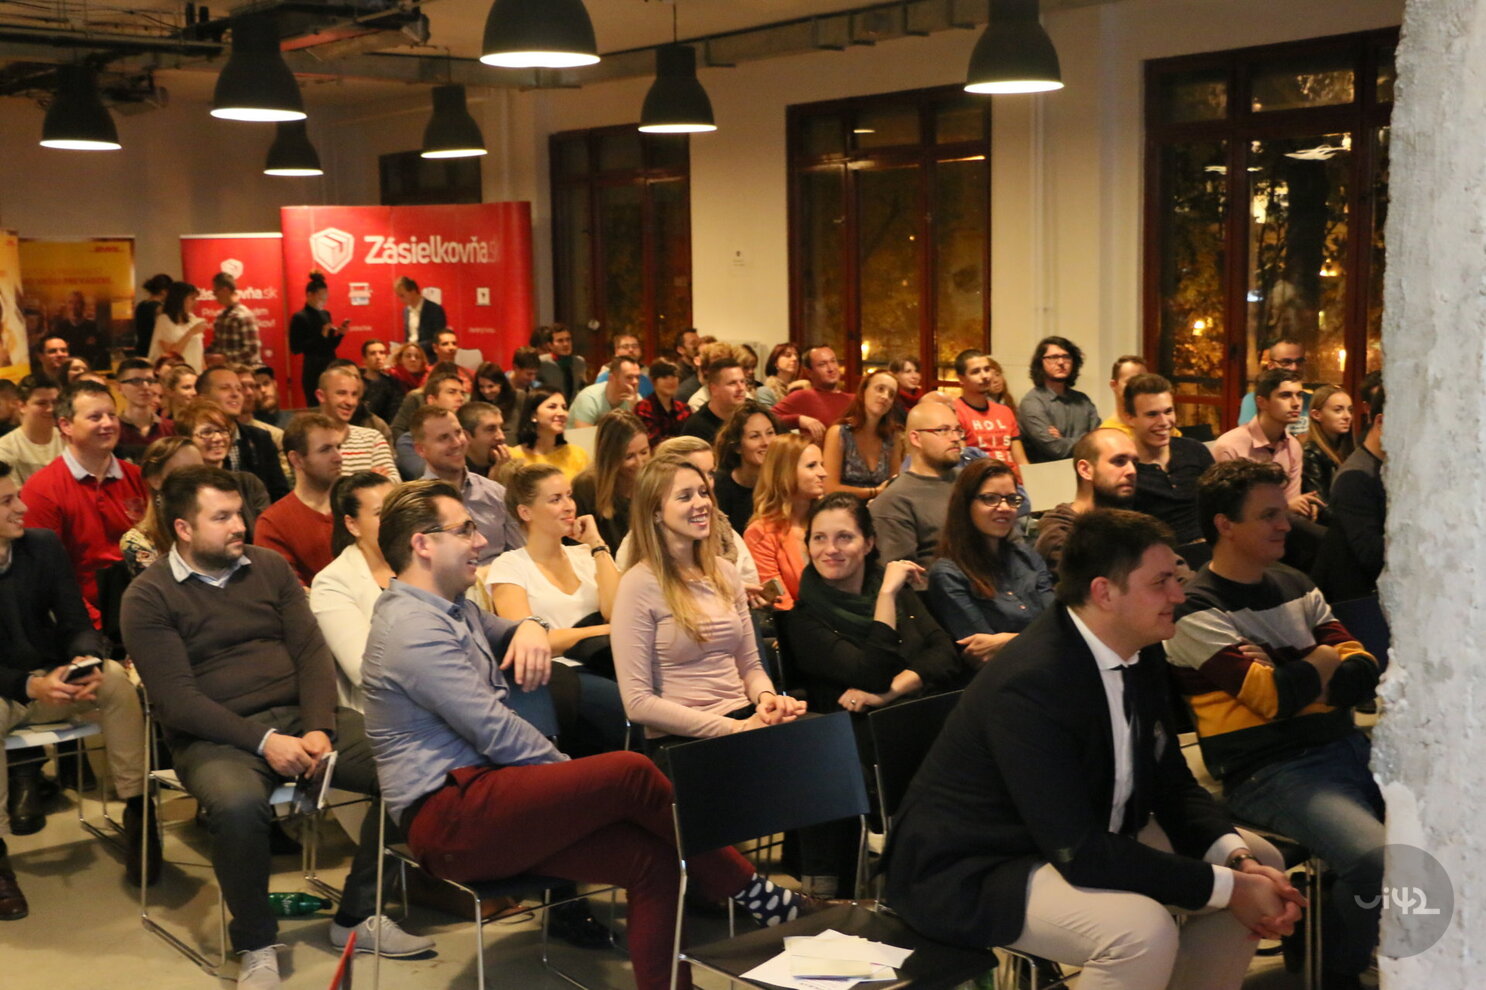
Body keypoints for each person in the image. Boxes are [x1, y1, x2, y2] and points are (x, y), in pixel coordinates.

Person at [360, 478, 809, 990]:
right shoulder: (412, 630)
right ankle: (755, 892)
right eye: (464, 530)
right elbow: (493, 728)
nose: (481, 541)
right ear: (423, 543)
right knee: (628, 773)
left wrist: (528, 624)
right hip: (450, 817)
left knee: (653, 861)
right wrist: (576, 780)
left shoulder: (452, 606)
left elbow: (508, 631)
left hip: (490, 798)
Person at [886, 509, 1302, 985]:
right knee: (1141, 933)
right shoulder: (1031, 683)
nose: (1179, 595)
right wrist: (1229, 887)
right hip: (977, 866)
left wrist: (1238, 865)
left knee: (1261, 862)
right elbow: (1077, 851)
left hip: (1080, 834)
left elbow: (1172, 783)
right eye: (1161, 582)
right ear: (1104, 592)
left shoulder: (1141, 646)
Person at [121, 467, 433, 986]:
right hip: (215, 738)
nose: (238, 525)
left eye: (238, 513)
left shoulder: (266, 567)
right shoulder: (149, 596)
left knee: (411, 761)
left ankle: (359, 914)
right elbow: (177, 702)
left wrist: (317, 728)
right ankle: (257, 942)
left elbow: (311, 652)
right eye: (220, 518)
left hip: (298, 718)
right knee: (239, 806)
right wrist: (265, 742)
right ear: (183, 529)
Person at [1168, 459, 1382, 990]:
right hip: (1269, 772)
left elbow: (1366, 665)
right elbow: (1272, 699)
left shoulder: (1294, 581)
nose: (1286, 524)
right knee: (1379, 861)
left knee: (1453, 829)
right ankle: (1336, 969)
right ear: (1224, 525)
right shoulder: (1194, 610)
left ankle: (1331, 921)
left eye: (1284, 512)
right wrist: (1325, 662)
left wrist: (1313, 672)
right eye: (1269, 515)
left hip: (1347, 746)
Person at [0, 458, 155, 904]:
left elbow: (74, 620)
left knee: (115, 682)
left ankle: (138, 810)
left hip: (55, 676)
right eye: (8, 501)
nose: (22, 509)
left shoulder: (42, 546)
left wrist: (84, 660)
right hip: (8, 688)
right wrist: (30, 687)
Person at [613, 454, 805, 743]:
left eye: (703, 493)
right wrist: (733, 729)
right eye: (685, 496)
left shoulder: (725, 573)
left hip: (744, 717)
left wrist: (767, 699)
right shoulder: (637, 585)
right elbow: (638, 703)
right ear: (654, 512)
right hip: (683, 737)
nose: (702, 503)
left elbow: (750, 667)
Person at [793, 491, 966, 714]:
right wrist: (886, 596)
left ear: (868, 543)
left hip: (924, 708)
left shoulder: (891, 585)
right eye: (819, 538)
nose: (830, 549)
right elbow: (873, 675)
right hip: (860, 731)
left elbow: (945, 654)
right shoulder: (803, 618)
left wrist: (891, 692)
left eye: (844, 537)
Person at [20, 380, 148, 625]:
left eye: (112, 415)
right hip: (83, 620)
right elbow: (46, 577)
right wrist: (95, 625)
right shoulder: (42, 490)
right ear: (66, 425)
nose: (108, 424)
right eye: (95, 417)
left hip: (146, 607)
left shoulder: (136, 477)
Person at [926, 459, 1055, 660]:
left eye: (1012, 499)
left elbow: (1061, 624)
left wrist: (1006, 641)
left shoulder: (1027, 556)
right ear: (966, 504)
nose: (1005, 507)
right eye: (990, 498)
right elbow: (982, 656)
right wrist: (1048, 638)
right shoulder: (948, 574)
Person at [309, 472, 397, 710]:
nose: (395, 519)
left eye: (397, 508)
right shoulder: (332, 583)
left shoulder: (423, 557)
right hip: (388, 710)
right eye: (380, 513)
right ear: (352, 524)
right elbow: (366, 672)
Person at [411, 405, 524, 563]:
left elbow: (520, 554)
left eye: (458, 433)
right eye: (444, 438)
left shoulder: (496, 493)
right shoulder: (415, 504)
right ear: (421, 449)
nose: (456, 443)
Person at [1126, 374, 1217, 567]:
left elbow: (1220, 504)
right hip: (1162, 563)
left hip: (1214, 552)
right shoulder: (1126, 469)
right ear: (1130, 418)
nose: (1164, 421)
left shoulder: (1195, 450)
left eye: (1168, 411)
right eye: (1152, 414)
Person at [1312, 376, 1386, 603]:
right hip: (1356, 603)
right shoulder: (1356, 477)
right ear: (1381, 422)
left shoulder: (1382, 467)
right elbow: (1372, 555)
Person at [253, 412, 346, 586]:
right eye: (325, 450)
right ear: (296, 459)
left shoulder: (356, 504)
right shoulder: (273, 523)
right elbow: (286, 592)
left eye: (338, 447)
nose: (338, 458)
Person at [869, 400, 963, 567]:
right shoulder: (895, 501)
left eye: (957, 430)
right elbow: (903, 579)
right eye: (943, 430)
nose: (955, 438)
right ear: (916, 438)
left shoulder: (970, 481)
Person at [1034, 427, 1139, 575]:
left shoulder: (1131, 522)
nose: (1132, 471)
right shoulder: (1061, 537)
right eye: (1119, 461)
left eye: (1134, 462)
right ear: (1085, 470)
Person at [744, 433, 826, 610]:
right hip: (801, 626)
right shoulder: (761, 532)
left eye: (822, 465)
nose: (823, 473)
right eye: (812, 466)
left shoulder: (829, 519)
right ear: (785, 471)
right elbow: (781, 603)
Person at [173, 400, 271, 540]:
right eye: (207, 432)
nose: (218, 438)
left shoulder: (248, 483)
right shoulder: (181, 488)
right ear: (187, 439)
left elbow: (264, 534)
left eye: (223, 431)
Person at [198, 366, 290, 502]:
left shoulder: (260, 438)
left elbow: (279, 494)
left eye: (238, 389)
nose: (235, 394)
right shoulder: (192, 440)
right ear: (203, 397)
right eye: (225, 388)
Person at [120, 436, 204, 576]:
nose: (196, 481)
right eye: (184, 472)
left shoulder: (217, 526)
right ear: (156, 480)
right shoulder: (139, 542)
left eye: (201, 471)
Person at [572, 410, 650, 550]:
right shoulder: (586, 487)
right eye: (629, 456)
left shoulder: (652, 482)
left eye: (644, 452)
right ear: (610, 457)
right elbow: (577, 547)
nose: (640, 463)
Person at [1018, 335, 1102, 462]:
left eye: (1066, 357)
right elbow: (1056, 449)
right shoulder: (1032, 402)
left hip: (1085, 473)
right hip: (1047, 476)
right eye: (1053, 357)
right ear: (1040, 362)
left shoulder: (1083, 400)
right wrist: (1087, 439)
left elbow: (1100, 440)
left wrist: (1064, 440)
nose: (1061, 362)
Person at [823, 370, 901, 499]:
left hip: (880, 510)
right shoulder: (839, 433)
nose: (885, 396)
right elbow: (830, 488)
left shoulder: (892, 437)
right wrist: (874, 492)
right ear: (863, 391)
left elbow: (894, 485)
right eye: (880, 389)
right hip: (842, 509)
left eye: (891, 394)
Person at [316, 366, 399, 481]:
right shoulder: (308, 441)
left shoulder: (373, 438)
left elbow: (394, 486)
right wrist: (370, 482)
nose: (350, 402)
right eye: (341, 393)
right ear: (321, 396)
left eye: (354, 394)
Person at [951, 349, 1027, 469]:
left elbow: (1021, 461)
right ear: (961, 379)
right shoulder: (954, 412)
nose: (985, 376)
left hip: (1013, 480)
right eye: (976, 372)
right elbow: (962, 463)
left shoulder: (1005, 412)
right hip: (981, 480)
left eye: (987, 369)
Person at [712, 400, 777, 535]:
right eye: (755, 436)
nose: (766, 442)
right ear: (737, 447)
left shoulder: (785, 481)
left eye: (770, 433)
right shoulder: (718, 487)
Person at [393, 368, 470, 479]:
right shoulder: (408, 441)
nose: (460, 398)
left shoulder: (468, 434)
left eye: (462, 393)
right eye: (452, 392)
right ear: (431, 400)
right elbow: (424, 473)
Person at [769, 345, 852, 443]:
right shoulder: (803, 396)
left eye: (833, 361)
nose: (831, 368)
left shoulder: (853, 399)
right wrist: (799, 420)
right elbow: (767, 417)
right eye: (822, 364)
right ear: (809, 372)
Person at [289, 273, 348, 407]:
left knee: (334, 403)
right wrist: (321, 335)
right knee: (316, 405)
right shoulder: (299, 317)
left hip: (330, 365)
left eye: (326, 297)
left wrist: (340, 334)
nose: (324, 301)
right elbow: (296, 348)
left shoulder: (325, 314)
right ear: (310, 295)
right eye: (321, 297)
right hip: (313, 368)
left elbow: (329, 345)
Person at [511, 388, 589, 481]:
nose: (562, 413)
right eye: (552, 407)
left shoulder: (577, 454)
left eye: (564, 407)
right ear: (533, 415)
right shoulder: (514, 457)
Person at [1238, 337, 1312, 434]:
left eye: (1299, 362)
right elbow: (1249, 437)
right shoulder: (1254, 400)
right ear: (1271, 366)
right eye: (1286, 362)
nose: (1294, 368)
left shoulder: (1313, 400)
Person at [0, 374, 63, 483]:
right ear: (21, 406)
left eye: (55, 402)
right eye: (42, 403)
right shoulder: (5, 449)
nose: (50, 409)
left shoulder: (71, 439)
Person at [1100, 355, 1181, 438]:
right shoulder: (1107, 435)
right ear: (1114, 385)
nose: (1139, 386)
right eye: (1131, 381)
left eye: (1144, 381)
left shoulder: (1162, 423)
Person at [1302, 384, 1355, 505]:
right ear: (1316, 414)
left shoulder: (1347, 450)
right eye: (1338, 410)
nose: (1347, 416)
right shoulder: (1311, 454)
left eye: (1350, 410)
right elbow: (1320, 504)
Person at [681, 356, 749, 446]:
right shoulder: (697, 429)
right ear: (714, 389)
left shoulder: (751, 412)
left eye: (742, 381)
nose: (741, 388)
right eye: (732, 383)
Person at [114, 358, 173, 462]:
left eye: (150, 381)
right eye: (136, 381)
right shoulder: (113, 430)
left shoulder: (171, 428)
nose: (145, 387)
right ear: (119, 388)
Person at [148, 281, 207, 372]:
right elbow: (171, 354)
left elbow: (199, 354)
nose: (196, 303)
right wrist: (190, 333)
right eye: (192, 299)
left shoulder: (193, 319)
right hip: (175, 374)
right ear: (180, 299)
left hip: (195, 372)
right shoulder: (164, 320)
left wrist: (204, 371)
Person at [569, 356, 641, 429]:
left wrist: (635, 410)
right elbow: (582, 436)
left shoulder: (636, 400)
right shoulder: (589, 398)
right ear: (612, 378)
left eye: (637, 377)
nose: (635, 382)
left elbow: (642, 434)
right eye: (629, 377)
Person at [633, 359, 691, 447]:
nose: (671, 381)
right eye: (664, 377)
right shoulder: (643, 408)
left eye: (674, 376)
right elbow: (651, 442)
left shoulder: (684, 408)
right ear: (653, 381)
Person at [210, 272, 261, 366]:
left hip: (243, 372)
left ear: (225, 290)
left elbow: (252, 350)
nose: (214, 296)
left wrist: (225, 358)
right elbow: (217, 344)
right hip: (225, 371)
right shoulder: (221, 316)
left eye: (215, 292)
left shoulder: (244, 315)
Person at [393, 276, 447, 357]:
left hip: (429, 357)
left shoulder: (434, 309)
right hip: (411, 357)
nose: (400, 299)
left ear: (413, 291)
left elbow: (438, 338)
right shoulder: (406, 311)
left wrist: (416, 347)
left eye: (402, 295)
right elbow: (408, 336)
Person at [53, 291, 107, 370]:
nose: (74, 307)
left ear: (83, 306)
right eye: (70, 302)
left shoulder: (93, 327)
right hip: (66, 370)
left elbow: (101, 352)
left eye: (77, 303)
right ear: (66, 305)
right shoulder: (60, 328)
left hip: (88, 369)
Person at [459, 401, 512, 479]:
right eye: (491, 429)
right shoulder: (453, 474)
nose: (501, 437)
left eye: (502, 428)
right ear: (466, 436)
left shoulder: (504, 465)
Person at [536, 324, 588, 401]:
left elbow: (583, 387)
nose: (565, 344)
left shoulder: (579, 362)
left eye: (568, 340)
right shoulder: (542, 363)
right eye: (560, 341)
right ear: (550, 345)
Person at [593, 333, 654, 399]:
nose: (631, 350)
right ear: (616, 351)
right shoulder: (607, 373)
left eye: (635, 346)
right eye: (625, 347)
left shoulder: (647, 373)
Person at [360, 339, 405, 425]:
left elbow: (397, 411)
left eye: (382, 353)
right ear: (364, 359)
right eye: (373, 353)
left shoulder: (393, 382)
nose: (378, 357)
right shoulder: (358, 383)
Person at [133, 273, 172, 358]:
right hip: (154, 349)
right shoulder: (159, 308)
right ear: (164, 291)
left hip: (141, 347)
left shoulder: (141, 305)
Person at [756, 342, 803, 408]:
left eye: (797, 356)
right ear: (775, 362)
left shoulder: (799, 389)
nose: (795, 359)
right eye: (788, 355)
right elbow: (771, 417)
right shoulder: (765, 392)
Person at [889, 355, 924, 420]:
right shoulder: (890, 401)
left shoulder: (924, 399)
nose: (914, 376)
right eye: (908, 372)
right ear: (895, 375)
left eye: (917, 371)